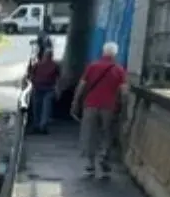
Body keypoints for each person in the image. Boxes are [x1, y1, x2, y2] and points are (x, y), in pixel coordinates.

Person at [70, 42, 128, 179]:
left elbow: (82, 85)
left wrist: (75, 101)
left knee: (89, 134)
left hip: (90, 106)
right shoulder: (119, 70)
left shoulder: (92, 66)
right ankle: (104, 158)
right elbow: (124, 92)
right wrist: (124, 108)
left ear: (103, 52)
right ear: (115, 54)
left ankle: (90, 164)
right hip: (109, 107)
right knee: (107, 133)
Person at [27, 48, 60, 133]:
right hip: (47, 88)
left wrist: (33, 82)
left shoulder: (37, 65)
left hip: (39, 88)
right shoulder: (54, 65)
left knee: (37, 107)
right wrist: (57, 89)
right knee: (45, 108)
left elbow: (30, 75)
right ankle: (42, 126)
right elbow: (58, 78)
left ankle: (37, 125)